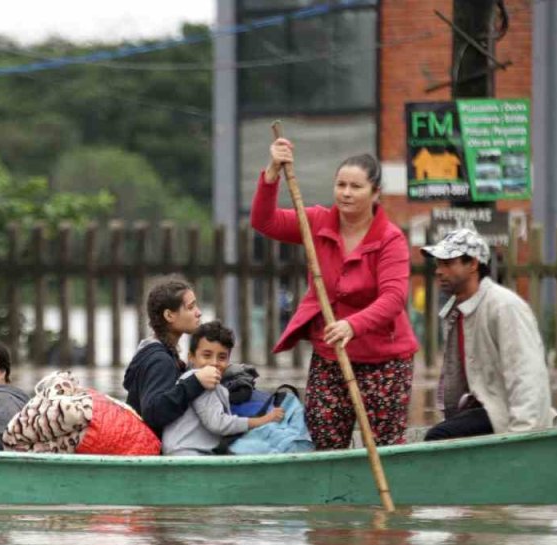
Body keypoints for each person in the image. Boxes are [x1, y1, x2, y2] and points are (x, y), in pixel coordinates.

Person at [252, 140, 418, 450]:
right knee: (324, 438)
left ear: (375, 193)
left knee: (385, 446)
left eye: (356, 186)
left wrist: (352, 325)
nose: (346, 193)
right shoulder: (315, 221)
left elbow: (394, 298)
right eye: (340, 185)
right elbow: (264, 221)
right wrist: (272, 171)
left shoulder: (390, 239)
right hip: (330, 355)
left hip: (384, 360)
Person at [420, 228, 554, 440]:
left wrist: (524, 436)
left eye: (447, 263)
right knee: (441, 433)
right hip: (482, 411)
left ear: (472, 264)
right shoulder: (457, 312)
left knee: (437, 436)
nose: (438, 271)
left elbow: (526, 375)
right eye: (438, 264)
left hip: (506, 416)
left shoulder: (503, 307)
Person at [162, 321, 284, 456]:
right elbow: (218, 424)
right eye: (206, 355)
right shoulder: (199, 379)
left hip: (188, 450)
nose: (214, 363)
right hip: (185, 453)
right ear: (191, 357)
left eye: (222, 357)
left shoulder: (208, 381)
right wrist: (263, 420)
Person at [123, 277, 220, 437]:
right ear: (169, 315)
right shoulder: (160, 360)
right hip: (152, 451)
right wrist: (195, 382)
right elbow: (153, 413)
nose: (199, 312)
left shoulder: (158, 353)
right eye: (191, 307)